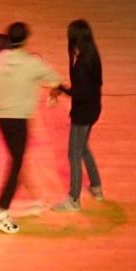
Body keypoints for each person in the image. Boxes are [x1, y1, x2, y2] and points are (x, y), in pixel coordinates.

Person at [0, 22, 62, 233]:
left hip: (1, 119)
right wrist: (49, 90)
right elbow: (55, 80)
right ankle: (1, 212)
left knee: (18, 158)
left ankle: (34, 199)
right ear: (25, 40)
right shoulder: (33, 64)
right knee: (17, 162)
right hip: (20, 120)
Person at [50, 19, 105, 211]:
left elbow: (80, 93)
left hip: (82, 114)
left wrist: (62, 89)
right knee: (83, 149)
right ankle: (96, 187)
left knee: (73, 154)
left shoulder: (82, 64)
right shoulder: (93, 56)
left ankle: (73, 199)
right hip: (94, 109)